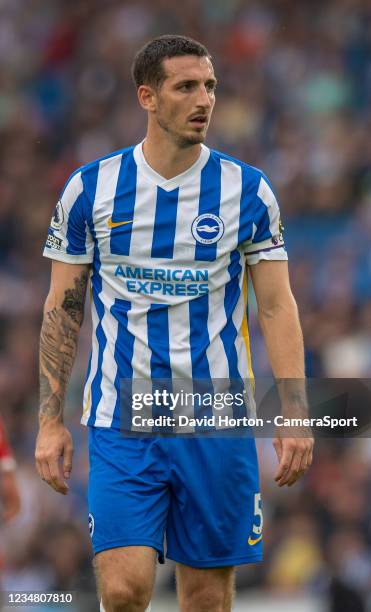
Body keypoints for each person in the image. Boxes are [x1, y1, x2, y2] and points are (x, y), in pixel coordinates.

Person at [35, 35, 314, 612]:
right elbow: (62, 308)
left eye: (209, 86)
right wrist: (49, 420)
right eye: (186, 86)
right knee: (123, 589)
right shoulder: (91, 189)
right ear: (148, 96)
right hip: (121, 418)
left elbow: (276, 306)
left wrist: (294, 411)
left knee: (207, 598)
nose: (203, 99)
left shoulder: (248, 190)